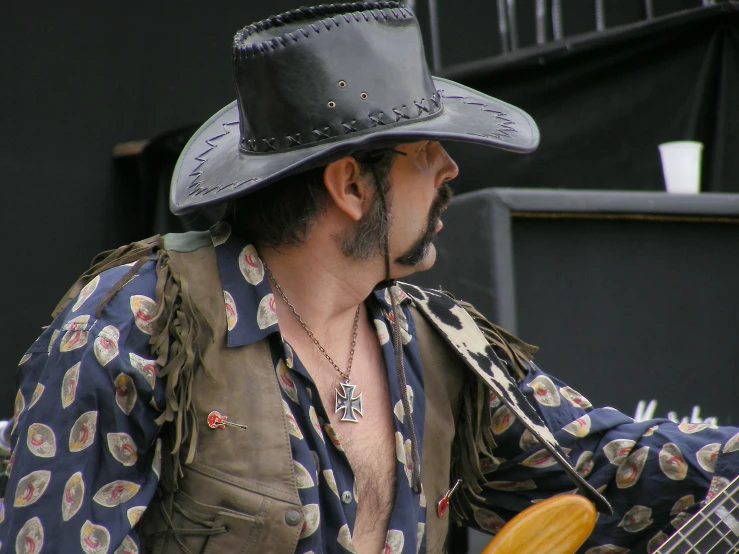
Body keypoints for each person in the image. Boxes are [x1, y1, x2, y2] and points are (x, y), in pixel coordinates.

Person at [2, 3, 738, 553]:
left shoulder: (436, 343)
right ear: (351, 186)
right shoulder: (134, 330)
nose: (450, 170)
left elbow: (613, 467)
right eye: (425, 153)